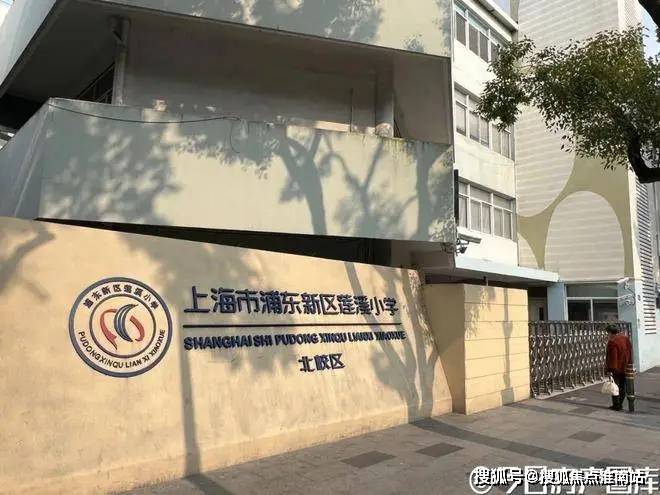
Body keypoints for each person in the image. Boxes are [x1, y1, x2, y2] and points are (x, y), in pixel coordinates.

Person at [605, 324, 632, 411]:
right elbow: (629, 351)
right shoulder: (625, 339)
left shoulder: (612, 342)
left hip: (616, 368)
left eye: (608, 333)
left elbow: (613, 357)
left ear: (610, 332)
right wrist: (630, 363)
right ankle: (620, 403)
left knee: (615, 387)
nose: (608, 335)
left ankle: (616, 405)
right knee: (622, 386)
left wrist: (610, 370)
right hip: (625, 366)